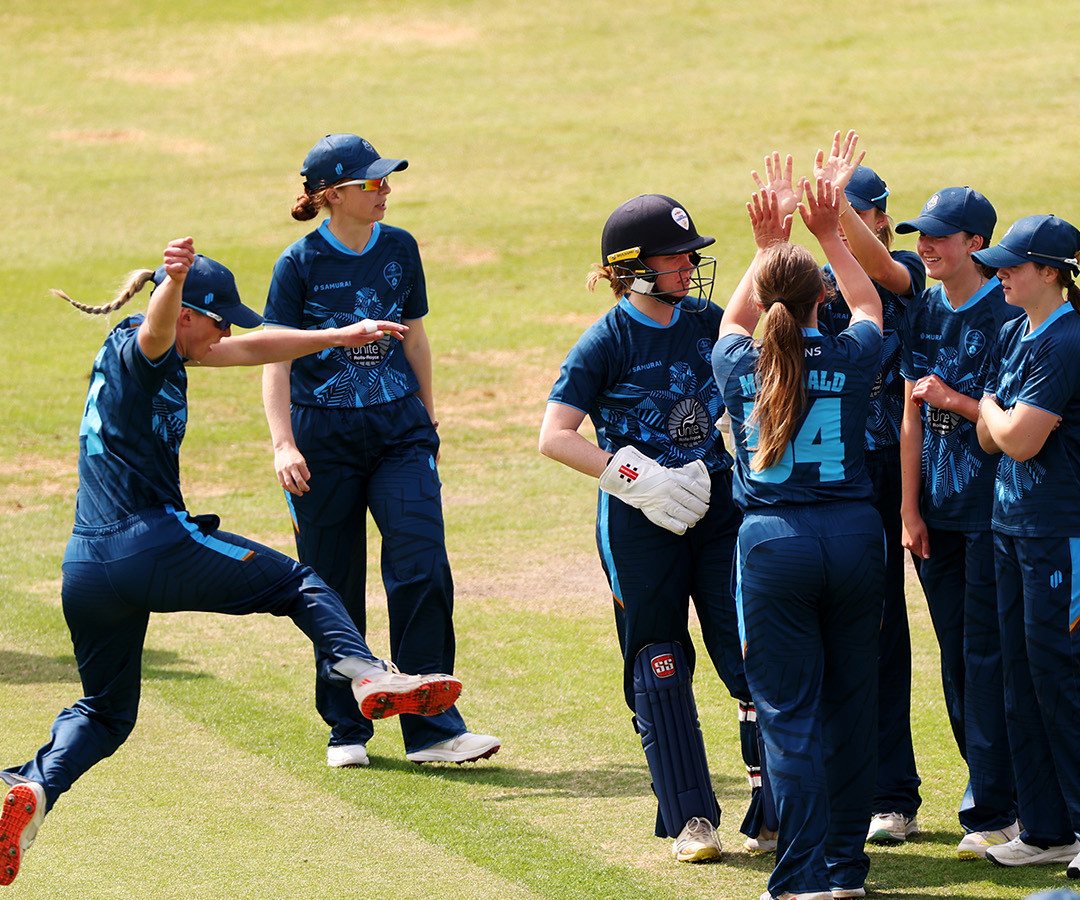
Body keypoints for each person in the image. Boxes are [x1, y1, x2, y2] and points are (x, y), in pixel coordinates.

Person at [0, 239, 464, 888]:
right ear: (188, 313)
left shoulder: (165, 353)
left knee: (105, 712)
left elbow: (255, 348)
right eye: (218, 320)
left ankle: (32, 788)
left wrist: (338, 335)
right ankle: (363, 672)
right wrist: (173, 281)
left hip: (86, 568)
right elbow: (164, 326)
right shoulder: (149, 344)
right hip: (151, 546)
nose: (225, 334)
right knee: (302, 582)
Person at [539, 193, 768, 863]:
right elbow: (555, 435)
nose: (692, 263)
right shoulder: (605, 340)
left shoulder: (705, 320)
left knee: (752, 653)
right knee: (659, 664)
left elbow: (752, 343)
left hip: (719, 510)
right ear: (633, 268)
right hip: (641, 523)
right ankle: (691, 819)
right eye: (677, 255)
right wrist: (641, 480)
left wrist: (724, 436)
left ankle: (776, 808)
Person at [263, 133, 498, 769]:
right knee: (333, 583)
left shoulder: (400, 247)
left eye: (386, 180)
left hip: (399, 432)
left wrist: (428, 414)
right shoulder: (298, 263)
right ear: (333, 195)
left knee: (421, 566)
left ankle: (433, 729)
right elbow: (275, 356)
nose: (385, 190)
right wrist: (283, 442)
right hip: (322, 440)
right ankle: (346, 727)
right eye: (372, 183)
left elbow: (415, 337)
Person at [711, 171, 885, 900]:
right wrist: (826, 234)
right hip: (852, 538)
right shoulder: (852, 353)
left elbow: (730, 323)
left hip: (773, 546)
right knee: (852, 705)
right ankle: (845, 869)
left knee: (789, 716)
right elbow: (871, 301)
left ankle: (803, 876)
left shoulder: (738, 360)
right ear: (823, 300)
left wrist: (767, 244)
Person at [972, 216, 1080, 877]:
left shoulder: (1066, 343)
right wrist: (996, 413)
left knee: (1060, 682)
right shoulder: (1021, 331)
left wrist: (990, 408)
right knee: (1022, 684)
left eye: (1012, 265)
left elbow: (1017, 439)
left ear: (1050, 272)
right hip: (1015, 530)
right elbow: (995, 435)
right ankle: (1048, 830)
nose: (1000, 273)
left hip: (1060, 537)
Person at [773, 132, 927, 846]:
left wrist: (836, 227)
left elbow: (882, 281)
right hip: (812, 485)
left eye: (851, 215)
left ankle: (892, 794)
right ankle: (827, 793)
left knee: (879, 638)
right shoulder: (805, 293)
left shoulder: (897, 273)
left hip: (876, 477)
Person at [896, 185, 1022, 859]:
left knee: (985, 656)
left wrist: (956, 399)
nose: (926, 246)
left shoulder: (1006, 314)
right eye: (923, 234)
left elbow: (1011, 426)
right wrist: (909, 507)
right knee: (957, 658)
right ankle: (992, 799)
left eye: (940, 236)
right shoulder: (922, 311)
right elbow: (911, 418)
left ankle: (997, 808)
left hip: (989, 514)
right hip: (936, 519)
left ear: (976, 243)